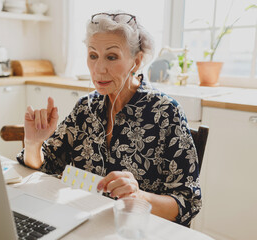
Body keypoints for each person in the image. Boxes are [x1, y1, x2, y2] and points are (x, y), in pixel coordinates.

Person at [17, 11, 201, 227]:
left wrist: (139, 196)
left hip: (137, 231)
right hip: (82, 224)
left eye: (112, 57)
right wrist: (33, 143)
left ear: (137, 61)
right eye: (93, 55)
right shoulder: (85, 108)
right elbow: (46, 165)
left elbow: (188, 202)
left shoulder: (166, 113)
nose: (99, 69)